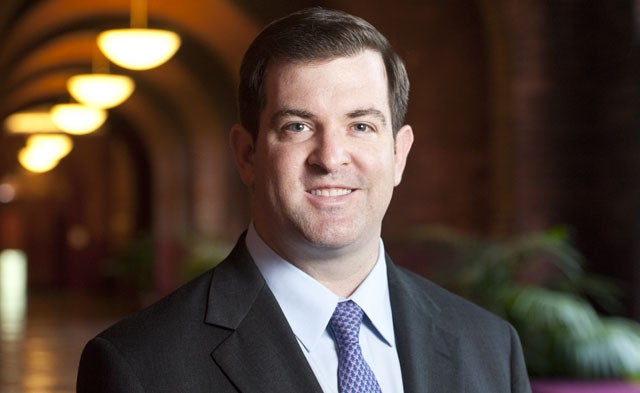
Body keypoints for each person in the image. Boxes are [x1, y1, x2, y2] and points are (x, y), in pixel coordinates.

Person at [77, 7, 532, 393]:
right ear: (247, 154)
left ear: (399, 154)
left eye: (361, 126)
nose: (331, 157)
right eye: (297, 126)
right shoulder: (138, 366)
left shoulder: (490, 347)